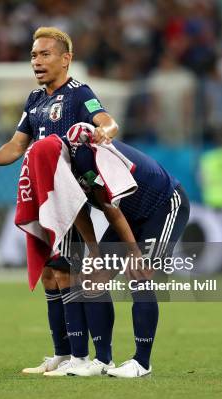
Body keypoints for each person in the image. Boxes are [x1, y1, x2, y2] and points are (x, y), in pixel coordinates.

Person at [0, 27, 120, 375]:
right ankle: (61, 353)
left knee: (65, 270)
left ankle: (81, 356)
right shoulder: (35, 100)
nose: (36, 62)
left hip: (67, 195)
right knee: (50, 273)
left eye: (44, 54)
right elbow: (17, 143)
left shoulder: (78, 93)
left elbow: (106, 120)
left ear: (65, 59)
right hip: (40, 194)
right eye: (33, 55)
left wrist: (104, 132)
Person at [63, 131, 190, 377]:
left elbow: (110, 207)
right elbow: (79, 212)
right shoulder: (62, 168)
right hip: (129, 214)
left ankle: (142, 363)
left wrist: (134, 251)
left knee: (138, 272)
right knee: (92, 278)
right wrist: (95, 252)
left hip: (164, 205)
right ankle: (103, 360)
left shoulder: (90, 156)